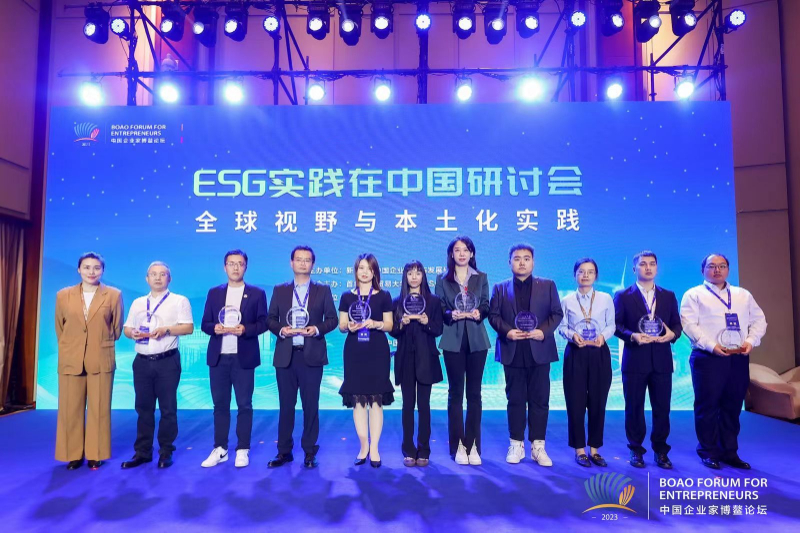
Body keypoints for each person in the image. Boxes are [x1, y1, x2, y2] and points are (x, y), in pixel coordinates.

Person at [680, 253, 767, 470]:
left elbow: (759, 321)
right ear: (703, 270)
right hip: (708, 358)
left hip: (738, 357)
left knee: (733, 406)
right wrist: (712, 346)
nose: (717, 270)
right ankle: (708, 451)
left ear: (728, 269)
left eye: (722, 266)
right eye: (712, 266)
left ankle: (729, 451)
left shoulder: (742, 295)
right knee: (707, 406)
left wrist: (750, 341)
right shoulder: (693, 295)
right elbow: (689, 325)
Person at [489, 244, 563, 466]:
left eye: (526, 258)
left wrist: (543, 331)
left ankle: (538, 446)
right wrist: (507, 331)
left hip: (539, 350)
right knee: (515, 399)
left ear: (533, 262)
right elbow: (493, 315)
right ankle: (516, 444)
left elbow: (556, 313)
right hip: (512, 350)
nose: (522, 262)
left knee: (540, 400)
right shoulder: (500, 288)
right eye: (517, 258)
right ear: (509, 262)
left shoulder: (548, 285)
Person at [266, 246, 338, 469]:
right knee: (286, 406)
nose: (303, 263)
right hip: (286, 356)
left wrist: (316, 329)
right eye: (299, 259)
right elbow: (270, 319)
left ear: (313, 264)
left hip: (311, 356)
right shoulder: (280, 290)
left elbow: (332, 320)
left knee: (310, 406)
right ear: (291, 263)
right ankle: (284, 452)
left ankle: (309, 451)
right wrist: (281, 330)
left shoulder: (322, 290)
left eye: (307, 260)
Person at [120, 261, 193, 470]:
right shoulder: (138, 303)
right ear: (147, 279)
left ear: (169, 278)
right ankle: (142, 452)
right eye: (153, 274)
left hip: (167, 361)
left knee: (168, 409)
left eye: (162, 274)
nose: (158, 278)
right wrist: (132, 333)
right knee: (143, 408)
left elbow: (188, 327)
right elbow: (127, 329)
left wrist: (166, 330)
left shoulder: (179, 301)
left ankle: (166, 451)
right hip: (142, 362)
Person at [55, 252, 124, 470]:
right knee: (70, 409)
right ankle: (73, 454)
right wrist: (73, 345)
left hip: (100, 357)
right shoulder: (63, 295)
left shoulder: (113, 295)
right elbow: (60, 327)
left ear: (102, 271)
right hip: (71, 358)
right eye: (86, 267)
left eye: (96, 268)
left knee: (99, 409)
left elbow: (116, 329)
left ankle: (96, 454)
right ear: (79, 270)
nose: (91, 272)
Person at [200, 249, 268, 468]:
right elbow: (205, 324)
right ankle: (220, 449)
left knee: (244, 405)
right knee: (220, 405)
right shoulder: (214, 293)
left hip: (244, 358)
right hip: (219, 357)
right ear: (225, 267)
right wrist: (215, 328)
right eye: (231, 263)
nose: (236, 267)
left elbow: (264, 323)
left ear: (246, 267)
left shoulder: (256, 293)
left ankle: (242, 449)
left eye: (240, 263)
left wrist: (245, 329)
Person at [614, 250, 682, 469]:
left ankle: (661, 451)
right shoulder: (623, 296)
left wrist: (673, 335)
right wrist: (632, 336)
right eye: (643, 264)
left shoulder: (668, 295)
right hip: (635, 359)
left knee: (662, 408)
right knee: (634, 407)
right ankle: (636, 449)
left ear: (657, 268)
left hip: (662, 360)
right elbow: (616, 325)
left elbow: (676, 324)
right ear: (635, 269)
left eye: (652, 264)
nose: (648, 267)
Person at [434, 236, 491, 466]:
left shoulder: (481, 277)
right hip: (453, 340)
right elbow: (439, 307)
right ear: (451, 254)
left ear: (472, 253)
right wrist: (450, 314)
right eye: (457, 250)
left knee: (475, 394)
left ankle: (473, 445)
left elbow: (486, 304)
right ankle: (457, 445)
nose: (461, 254)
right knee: (455, 394)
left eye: (466, 250)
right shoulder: (442, 279)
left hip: (477, 340)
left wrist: (480, 313)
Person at [338, 253, 394, 467]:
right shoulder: (347, 296)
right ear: (356, 270)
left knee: (376, 400)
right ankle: (363, 446)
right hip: (354, 351)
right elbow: (341, 325)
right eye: (361, 267)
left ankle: (375, 448)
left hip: (377, 350)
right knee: (359, 400)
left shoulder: (384, 295)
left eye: (369, 268)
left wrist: (375, 323)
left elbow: (389, 325)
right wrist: (349, 326)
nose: (364, 272)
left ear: (374, 272)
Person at [557, 258, 615, 467]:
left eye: (590, 272)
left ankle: (595, 449)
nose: (586, 275)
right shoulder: (566, 300)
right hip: (576, 352)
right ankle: (579, 449)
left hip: (599, 352)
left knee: (598, 402)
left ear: (596, 276)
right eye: (581, 271)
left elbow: (611, 325)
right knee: (575, 402)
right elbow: (561, 326)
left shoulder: (605, 298)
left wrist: (603, 337)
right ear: (575, 275)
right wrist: (572, 335)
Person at [389, 261, 444, 467]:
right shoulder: (397, 301)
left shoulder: (433, 301)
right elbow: (393, 331)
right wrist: (401, 324)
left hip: (426, 358)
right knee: (407, 405)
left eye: (418, 273)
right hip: (405, 358)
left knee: (424, 405)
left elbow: (438, 329)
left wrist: (427, 323)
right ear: (405, 276)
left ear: (423, 276)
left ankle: (424, 449)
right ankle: (408, 449)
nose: (414, 277)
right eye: (410, 273)